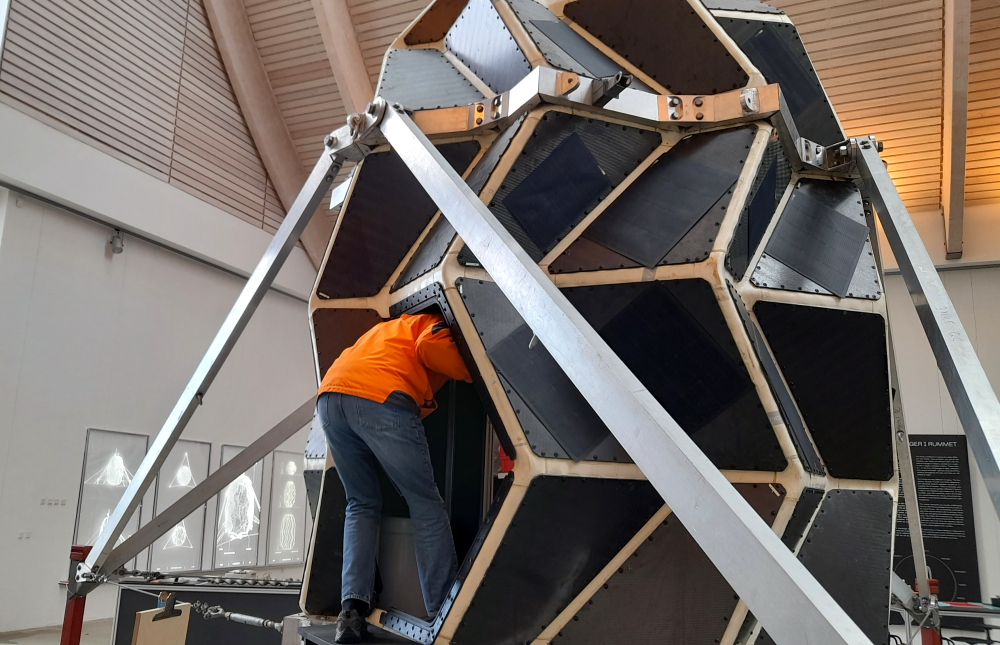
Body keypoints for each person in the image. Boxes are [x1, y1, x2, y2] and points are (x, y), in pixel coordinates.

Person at [316, 312, 473, 643]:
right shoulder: (429, 322)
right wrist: (479, 371)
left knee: (360, 503)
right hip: (380, 395)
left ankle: (351, 611)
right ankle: (444, 610)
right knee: (426, 505)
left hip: (330, 397)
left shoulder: (389, 329)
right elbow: (431, 346)